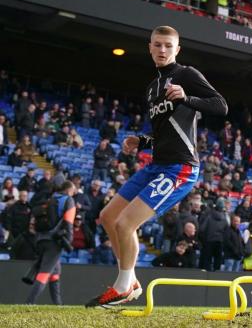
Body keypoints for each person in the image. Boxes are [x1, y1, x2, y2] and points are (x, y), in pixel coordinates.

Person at [88, 25, 227, 307]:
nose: (162, 50)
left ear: (177, 49)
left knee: (126, 223)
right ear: (149, 47)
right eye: (157, 45)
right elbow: (167, 135)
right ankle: (130, 281)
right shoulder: (152, 88)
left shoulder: (186, 75)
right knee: (107, 217)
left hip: (181, 168)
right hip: (157, 164)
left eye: (168, 45)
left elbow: (221, 105)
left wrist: (187, 98)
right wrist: (141, 141)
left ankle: (123, 287)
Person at [23, 181, 76, 304]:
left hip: (40, 239)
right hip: (54, 242)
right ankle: (28, 303)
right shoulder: (68, 200)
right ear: (69, 190)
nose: (73, 194)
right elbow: (68, 223)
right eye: (73, 191)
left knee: (55, 273)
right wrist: (69, 241)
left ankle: (58, 305)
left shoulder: (50, 199)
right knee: (44, 273)